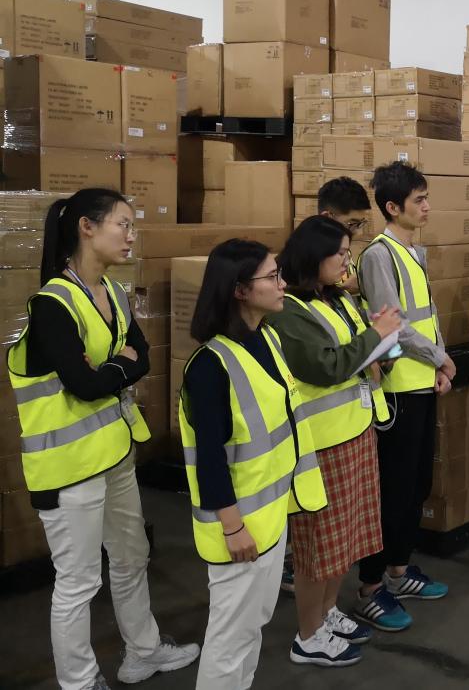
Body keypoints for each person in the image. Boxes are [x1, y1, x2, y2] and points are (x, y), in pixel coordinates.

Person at [7, 188, 199, 690]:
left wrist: (109, 368)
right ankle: (78, 681)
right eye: (123, 224)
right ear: (86, 228)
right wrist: (119, 367)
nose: (132, 235)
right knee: (78, 581)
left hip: (113, 454)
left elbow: (143, 356)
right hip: (68, 469)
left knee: (132, 557)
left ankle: (143, 652)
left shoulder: (112, 293)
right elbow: (84, 384)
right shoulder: (52, 304)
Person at [180, 239, 327, 689]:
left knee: (251, 628)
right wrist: (232, 528)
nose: (283, 284)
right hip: (239, 529)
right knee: (230, 640)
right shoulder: (210, 366)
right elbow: (209, 459)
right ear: (240, 290)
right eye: (273, 277)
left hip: (269, 519)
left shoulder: (266, 338)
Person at [271, 217, 408, 663]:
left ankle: (328, 612)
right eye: (341, 254)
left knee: (344, 541)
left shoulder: (339, 299)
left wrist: (386, 345)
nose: (348, 262)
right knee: (318, 547)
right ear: (313, 256)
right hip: (322, 444)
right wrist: (376, 337)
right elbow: (326, 366)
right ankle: (308, 635)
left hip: (356, 431)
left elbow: (367, 352)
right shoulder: (290, 311)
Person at [355, 163, 454, 626]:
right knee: (392, 491)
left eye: (426, 197)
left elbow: (427, 315)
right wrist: (439, 358)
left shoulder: (413, 251)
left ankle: (398, 570)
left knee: (416, 486)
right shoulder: (379, 255)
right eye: (419, 200)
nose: (427, 207)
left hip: (422, 383)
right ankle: (370, 585)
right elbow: (392, 324)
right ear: (392, 207)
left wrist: (438, 364)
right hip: (396, 392)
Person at [317, 176, 374, 297]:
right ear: (327, 217)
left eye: (361, 223)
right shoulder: (307, 257)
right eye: (352, 224)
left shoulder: (343, 249)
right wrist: (346, 289)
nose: (358, 232)